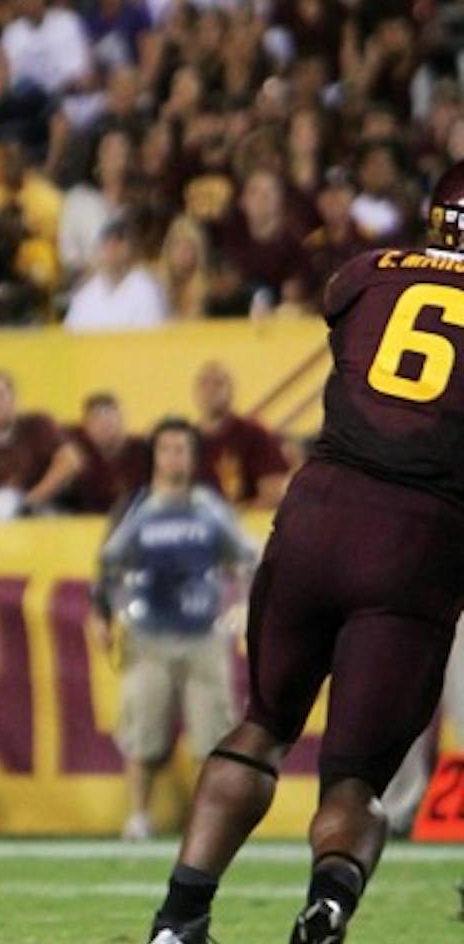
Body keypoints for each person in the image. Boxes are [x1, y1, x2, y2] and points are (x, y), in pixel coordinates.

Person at [146, 163, 464, 944]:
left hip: (318, 514)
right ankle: (325, 905)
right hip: (415, 539)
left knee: (261, 725)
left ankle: (178, 920)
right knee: (355, 782)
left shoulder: (366, 274)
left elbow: (356, 327)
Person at [95, 417, 256, 843]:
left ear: (193, 455)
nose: (173, 457)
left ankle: (207, 823)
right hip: (148, 635)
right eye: (166, 448)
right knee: (142, 734)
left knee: (212, 736)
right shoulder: (135, 508)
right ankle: (138, 817)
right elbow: (109, 564)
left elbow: (245, 555)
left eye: (181, 449)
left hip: (204, 633)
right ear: (154, 455)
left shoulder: (209, 507)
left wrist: (240, 604)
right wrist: (108, 614)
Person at [0, 370, 82, 519]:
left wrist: (32, 500)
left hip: (43, 507)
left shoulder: (38, 424)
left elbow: (70, 460)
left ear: (13, 399)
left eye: (0, 395)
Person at [191, 361, 289, 509]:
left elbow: (274, 494)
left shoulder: (253, 434)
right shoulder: (185, 440)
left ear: (231, 391)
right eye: (204, 383)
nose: (210, 390)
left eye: (218, 383)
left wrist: (229, 518)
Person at [65, 393, 150, 514]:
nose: (103, 425)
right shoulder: (76, 447)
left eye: (109, 418)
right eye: (96, 419)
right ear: (86, 427)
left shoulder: (142, 450)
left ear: (122, 421)